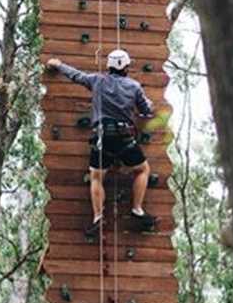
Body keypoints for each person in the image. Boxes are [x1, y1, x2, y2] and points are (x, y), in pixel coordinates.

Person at [47, 49, 157, 237]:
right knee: (142, 170)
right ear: (127, 67)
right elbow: (147, 111)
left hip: (102, 138)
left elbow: (76, 76)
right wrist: (148, 104)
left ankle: (98, 217)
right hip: (124, 138)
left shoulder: (97, 81)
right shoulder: (134, 87)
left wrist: (58, 64)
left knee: (96, 177)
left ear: (109, 66)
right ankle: (137, 209)